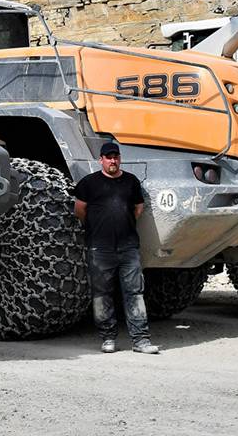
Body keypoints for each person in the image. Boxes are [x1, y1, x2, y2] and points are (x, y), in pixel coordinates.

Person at [73, 141, 159, 354]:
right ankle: (108, 338)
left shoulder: (130, 182)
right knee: (102, 294)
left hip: (129, 248)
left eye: (116, 157)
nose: (113, 160)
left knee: (135, 293)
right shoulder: (88, 183)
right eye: (108, 157)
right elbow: (80, 210)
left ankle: (141, 340)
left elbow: (138, 208)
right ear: (100, 160)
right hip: (100, 250)